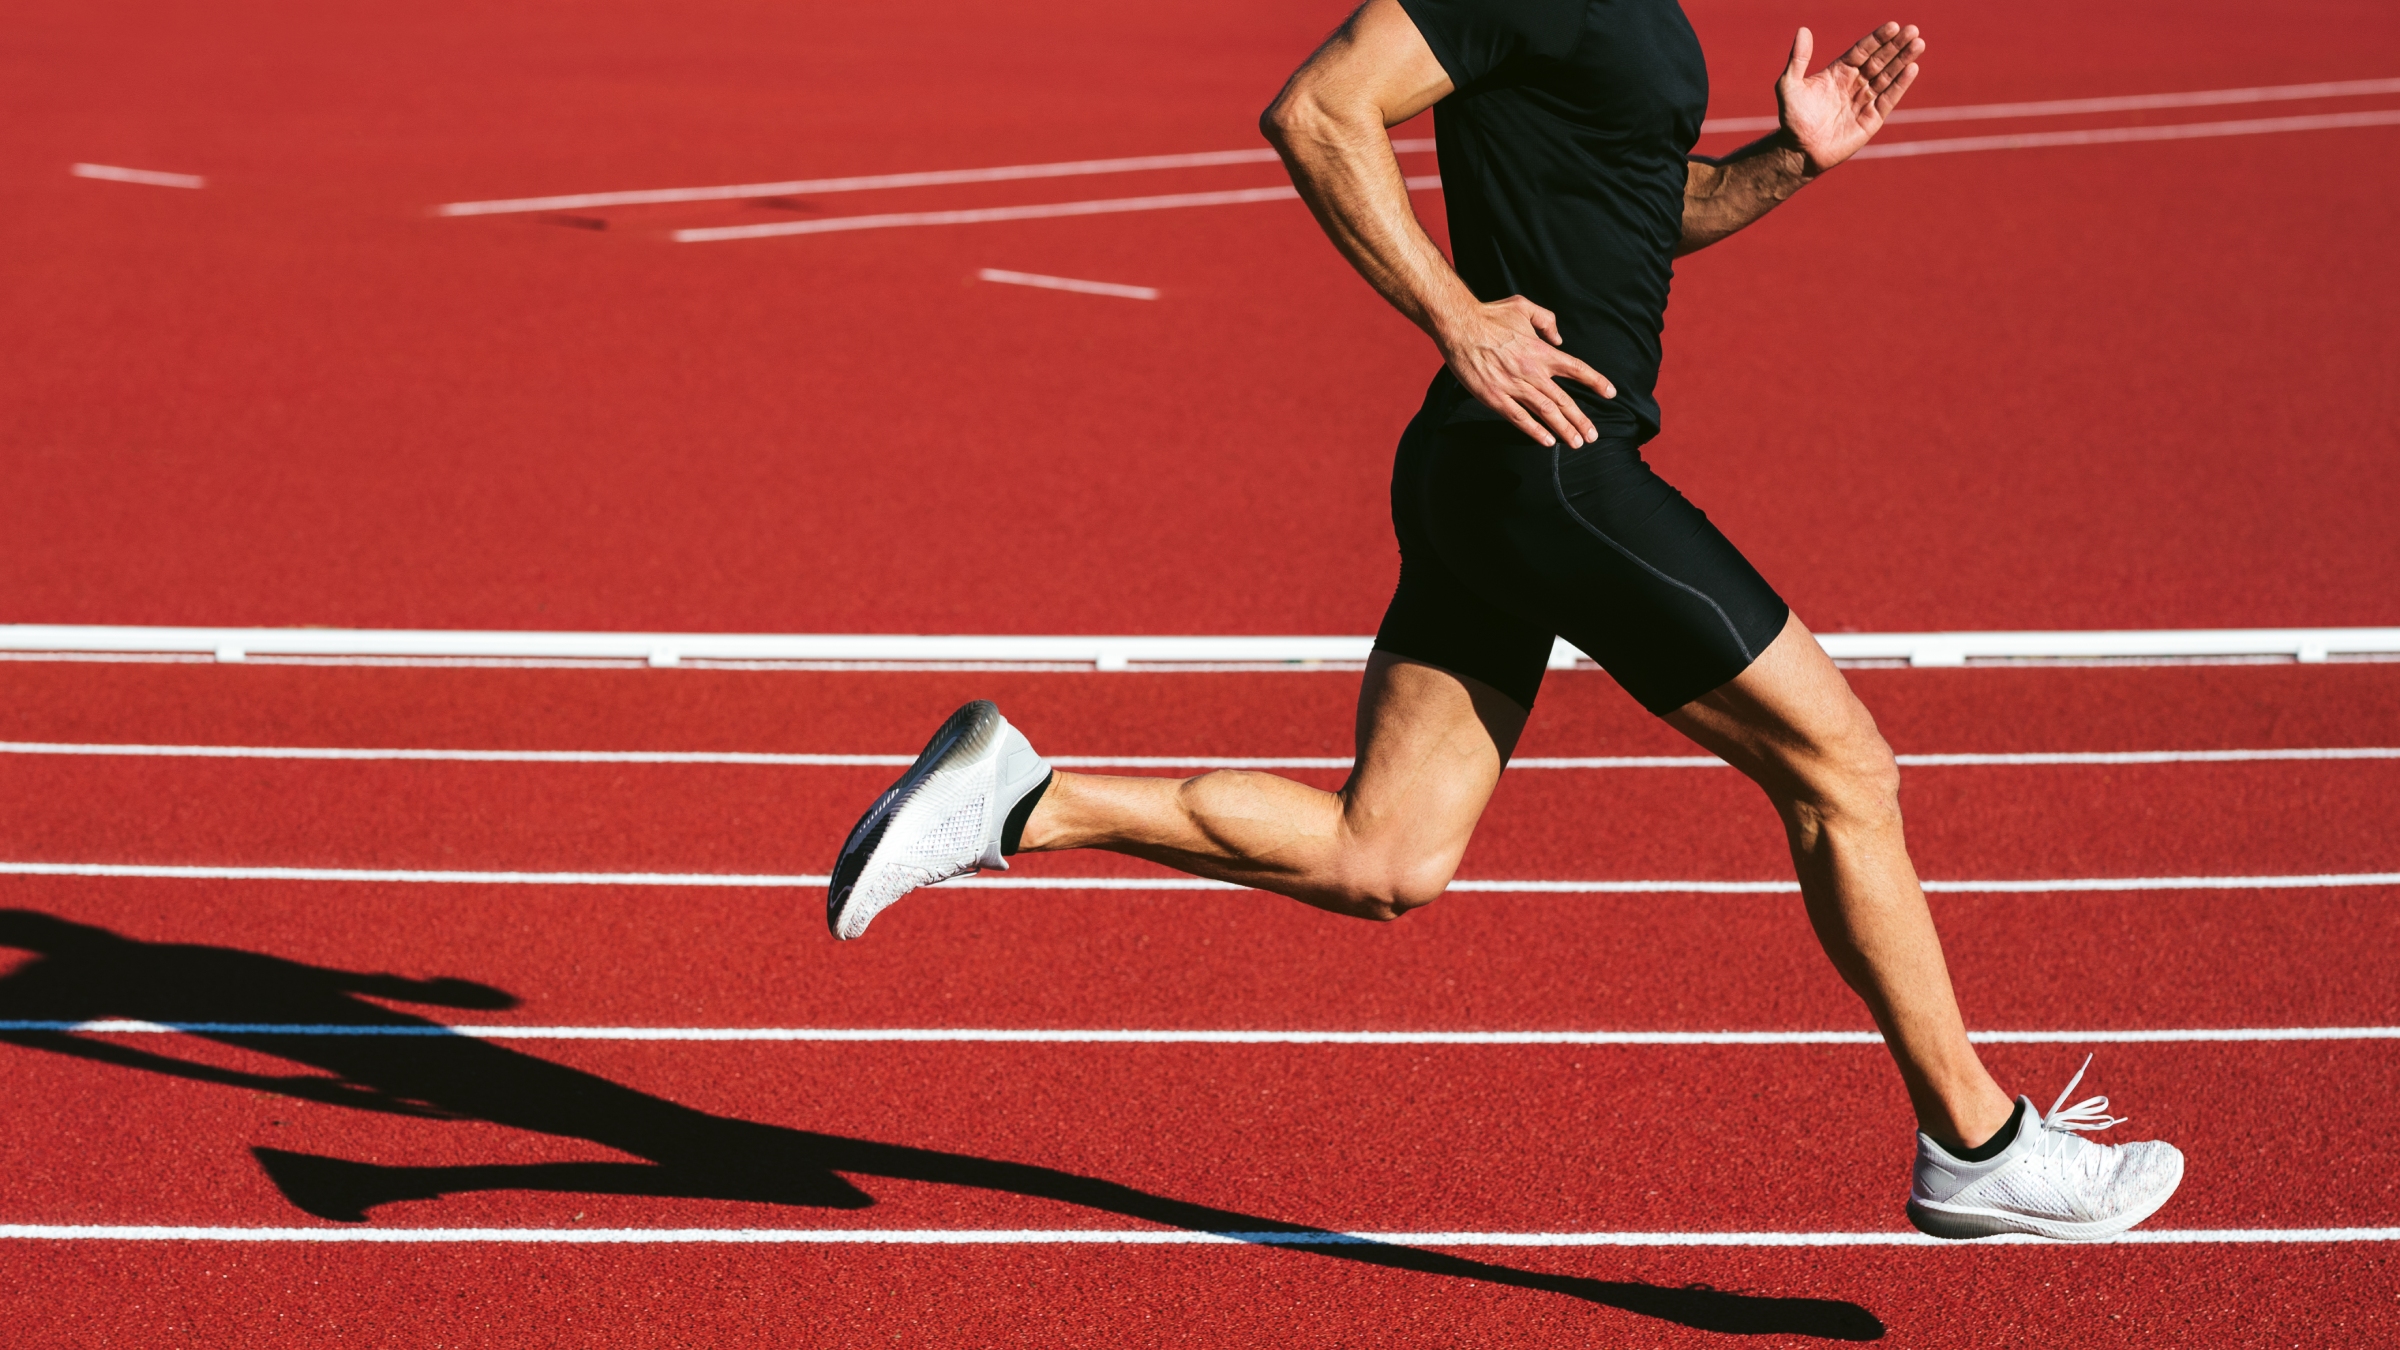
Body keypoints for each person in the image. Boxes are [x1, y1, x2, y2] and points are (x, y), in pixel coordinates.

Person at [829, 1, 2182, 1242]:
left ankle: (1022, 799)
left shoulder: (1642, 17)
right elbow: (1318, 108)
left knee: (1383, 854)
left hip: (1498, 469)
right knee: (1844, 770)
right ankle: (1976, 1139)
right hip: (1555, 462)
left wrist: (1791, 159)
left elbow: (1641, 204)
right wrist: (1457, 316)